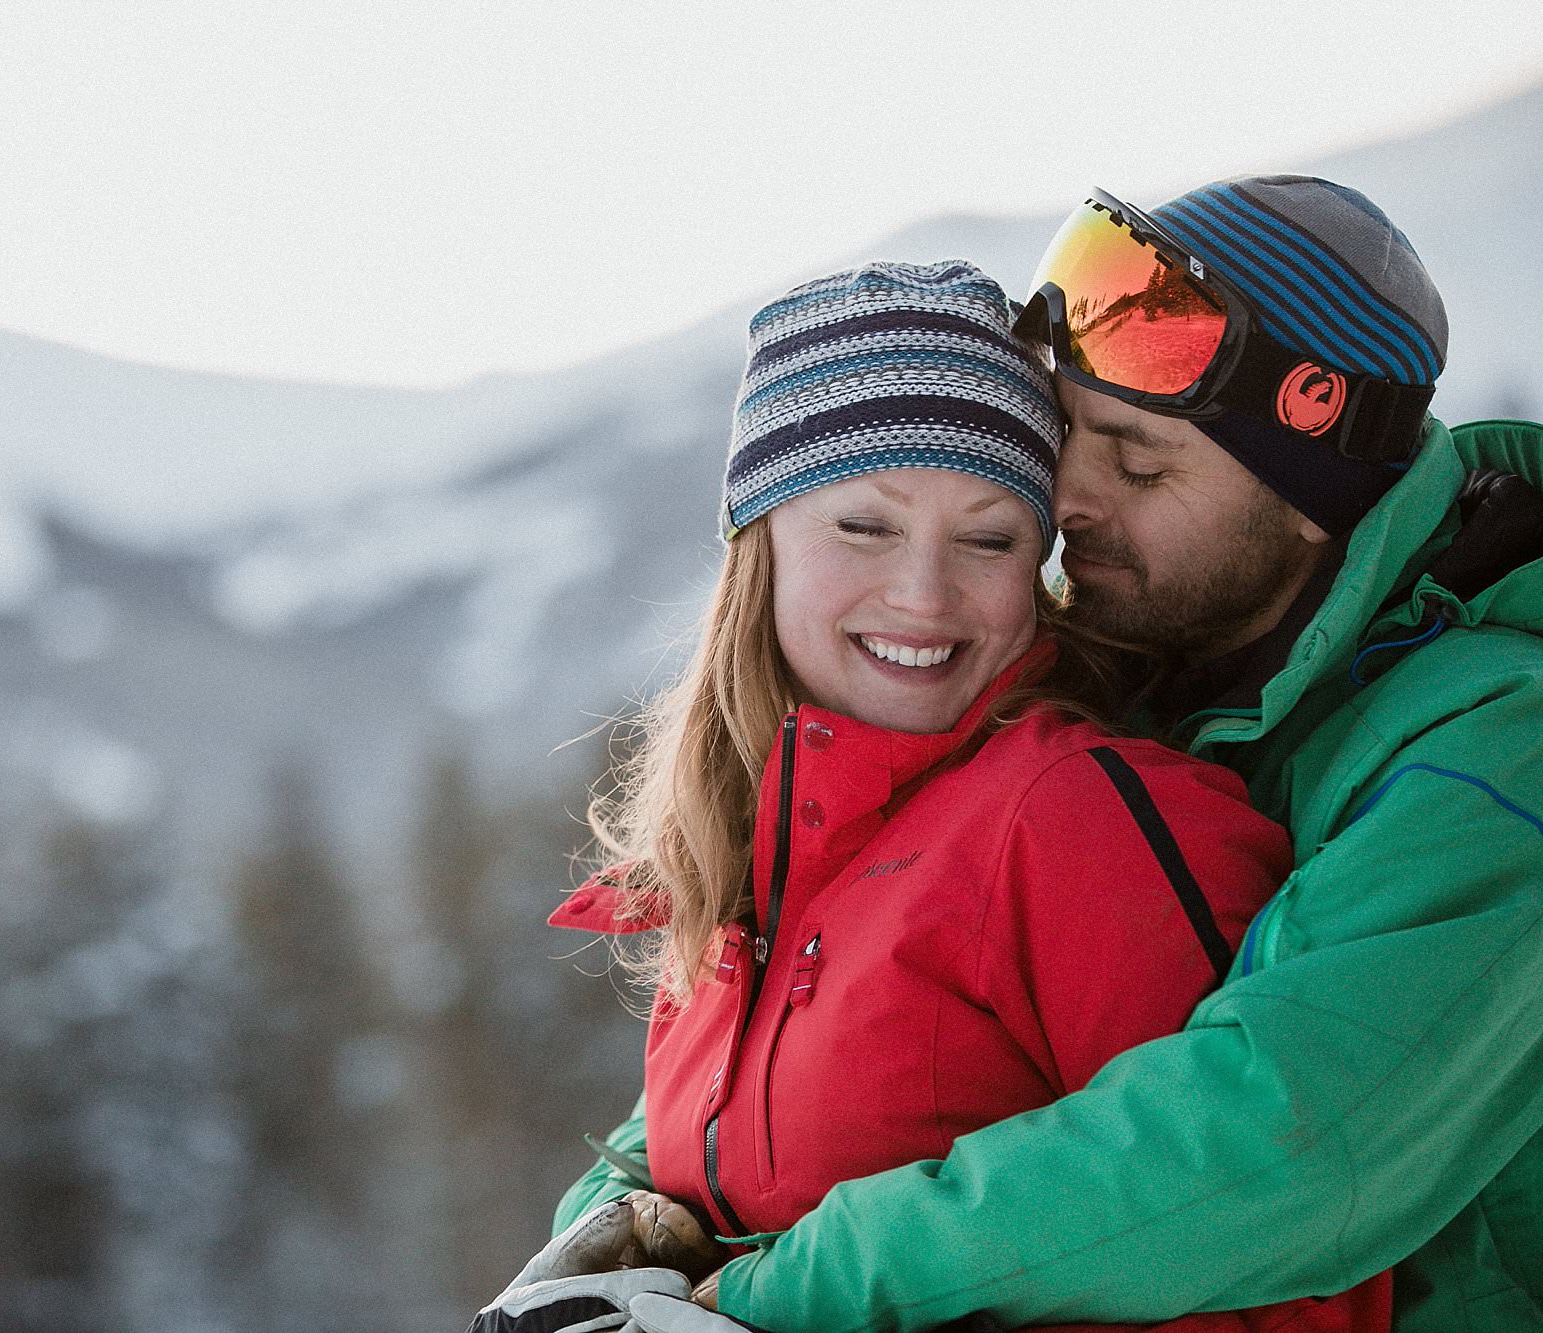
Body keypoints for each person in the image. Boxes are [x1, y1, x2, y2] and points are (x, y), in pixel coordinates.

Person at [558, 178, 1543, 1333]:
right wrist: (620, 1209)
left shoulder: (1490, 755)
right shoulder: (1150, 664)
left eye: (1139, 464)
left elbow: (1281, 1141)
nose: (1063, 500)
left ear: (1307, 499)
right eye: (1074, 435)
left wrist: (785, 1292)